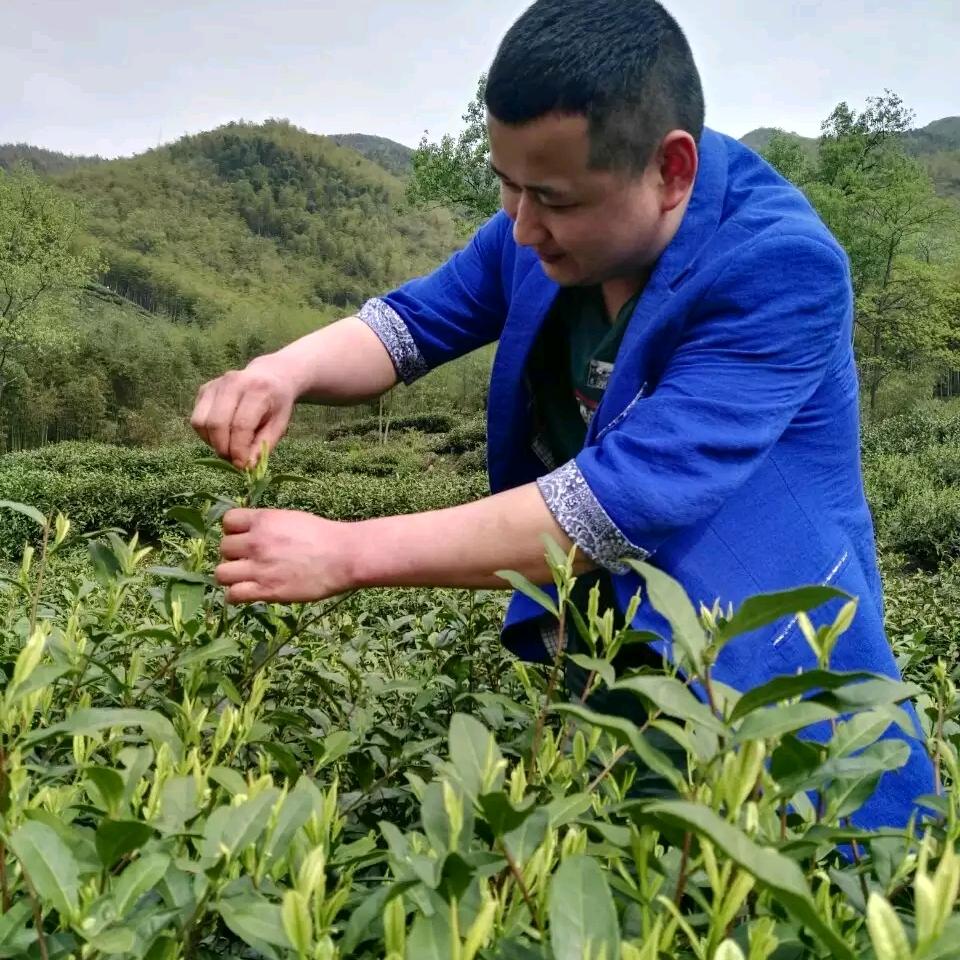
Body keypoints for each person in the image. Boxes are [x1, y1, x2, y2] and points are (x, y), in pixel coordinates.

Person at [190, 0, 934, 828]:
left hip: (764, 678)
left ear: (672, 171)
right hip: (611, 657)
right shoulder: (541, 228)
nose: (521, 223)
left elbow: (612, 505)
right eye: (506, 186)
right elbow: (409, 325)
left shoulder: (780, 268)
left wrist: (348, 551)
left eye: (552, 197)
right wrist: (279, 371)